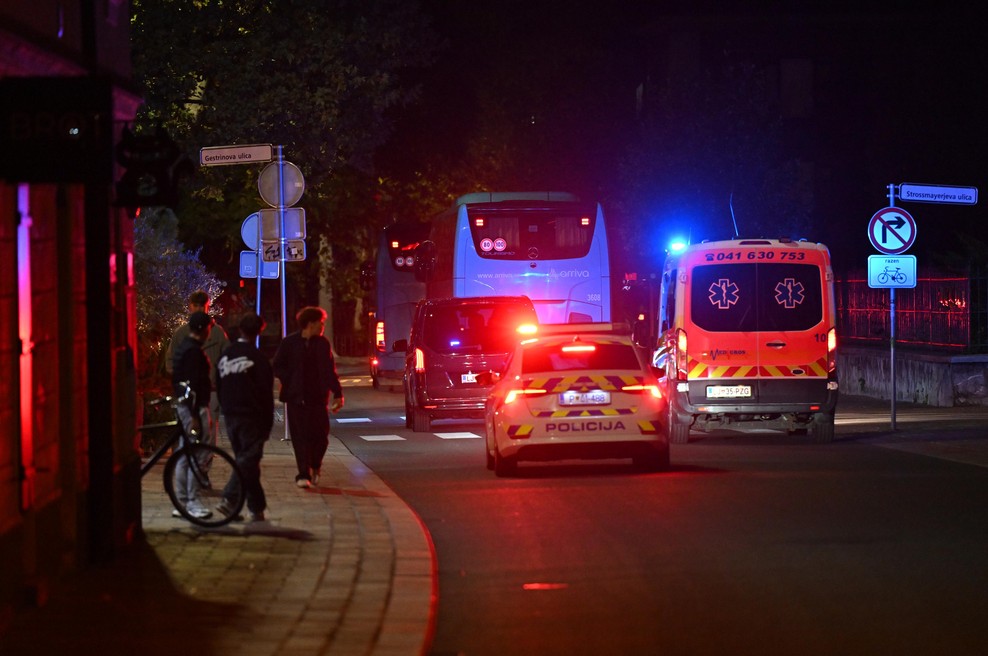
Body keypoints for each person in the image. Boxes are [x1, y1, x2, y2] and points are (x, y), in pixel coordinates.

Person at [273, 306, 344, 488]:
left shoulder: (322, 344)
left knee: (321, 436)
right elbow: (277, 365)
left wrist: (337, 393)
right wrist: (289, 378)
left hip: (318, 399)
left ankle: (315, 465)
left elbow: (329, 370)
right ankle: (303, 474)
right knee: (300, 438)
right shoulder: (290, 343)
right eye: (321, 322)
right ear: (311, 324)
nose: (323, 326)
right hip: (296, 398)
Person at [215, 313, 274, 522]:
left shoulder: (226, 355)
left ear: (239, 329)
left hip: (231, 415)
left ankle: (256, 507)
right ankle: (229, 498)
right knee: (247, 459)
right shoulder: (257, 358)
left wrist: (226, 407)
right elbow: (266, 393)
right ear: (260, 331)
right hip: (252, 417)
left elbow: (219, 384)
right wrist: (267, 424)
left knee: (247, 460)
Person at [165, 290, 230, 446]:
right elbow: (170, 360)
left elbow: (226, 358)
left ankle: (203, 462)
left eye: (203, 306)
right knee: (189, 434)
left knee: (208, 430)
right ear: (191, 307)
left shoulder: (218, 333)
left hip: (210, 389)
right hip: (189, 391)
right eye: (197, 306)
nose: (200, 309)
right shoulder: (181, 333)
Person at [170, 310, 215, 519]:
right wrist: (196, 413)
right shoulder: (194, 353)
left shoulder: (184, 349)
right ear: (204, 329)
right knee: (197, 454)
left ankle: (181, 502)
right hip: (193, 409)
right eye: (209, 328)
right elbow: (194, 384)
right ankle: (192, 502)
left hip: (184, 407)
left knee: (183, 453)